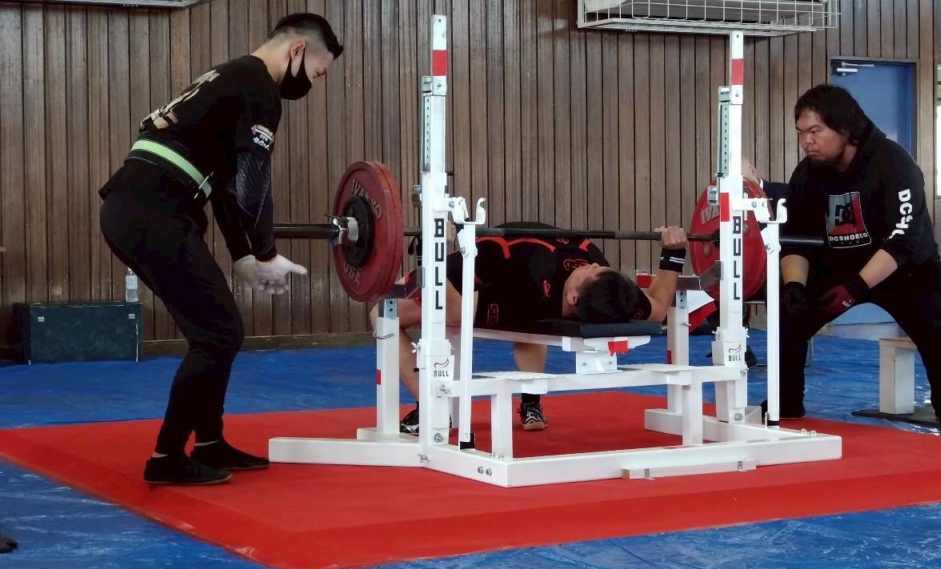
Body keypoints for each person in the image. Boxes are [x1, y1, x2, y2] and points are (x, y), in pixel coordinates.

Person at [98, 14, 343, 485]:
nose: (312, 83)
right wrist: (266, 252)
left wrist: (244, 256)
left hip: (138, 209)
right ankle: (167, 457)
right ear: (296, 50)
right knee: (218, 333)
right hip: (152, 211)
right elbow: (253, 183)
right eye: (317, 72)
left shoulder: (231, 77)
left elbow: (228, 186)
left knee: (217, 329)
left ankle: (209, 443)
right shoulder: (260, 86)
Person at [771, 84, 941, 439]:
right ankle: (785, 406)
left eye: (815, 131)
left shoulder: (894, 163)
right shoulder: (808, 173)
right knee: (787, 317)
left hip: (906, 269)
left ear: (844, 128)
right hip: (838, 266)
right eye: (801, 133)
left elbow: (902, 240)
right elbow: (795, 239)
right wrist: (793, 286)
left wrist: (856, 288)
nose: (806, 142)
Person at [370, 222, 689, 434]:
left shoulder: (535, 286)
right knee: (389, 311)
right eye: (599, 267)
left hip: (507, 270)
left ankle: (436, 407)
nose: (593, 264)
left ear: (574, 296)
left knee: (383, 314)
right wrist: (673, 252)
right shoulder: (616, 288)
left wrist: (432, 254)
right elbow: (659, 306)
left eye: (590, 271)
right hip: (498, 250)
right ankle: (440, 404)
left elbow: (453, 312)